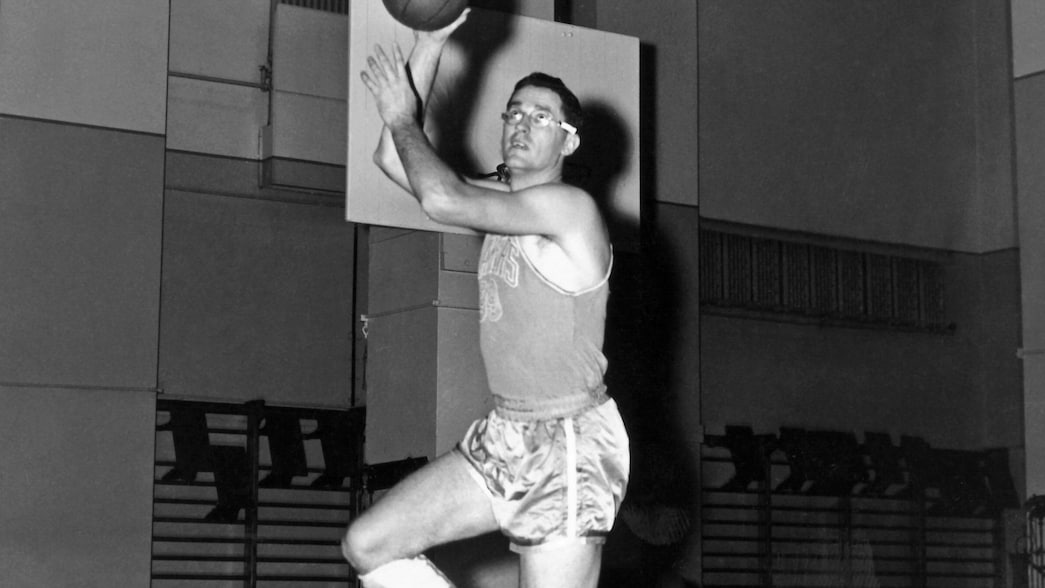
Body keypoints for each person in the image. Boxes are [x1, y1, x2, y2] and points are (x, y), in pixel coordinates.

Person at [342, 10, 629, 588]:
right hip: (504, 433)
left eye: (541, 116)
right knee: (368, 545)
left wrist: (401, 115)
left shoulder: (570, 209)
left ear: (569, 140)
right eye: (514, 112)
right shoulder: (502, 199)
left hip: (568, 444)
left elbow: (441, 199)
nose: (522, 124)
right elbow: (393, 159)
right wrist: (429, 42)